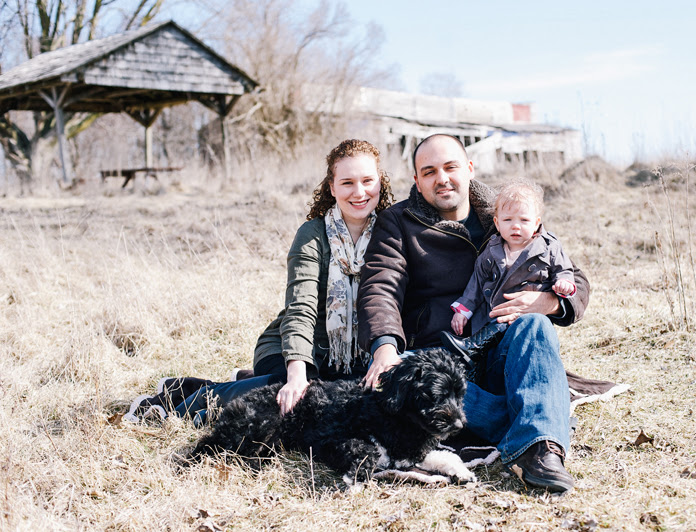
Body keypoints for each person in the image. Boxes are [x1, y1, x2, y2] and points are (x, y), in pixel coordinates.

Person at [356, 134, 589, 493]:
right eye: (429, 171)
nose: (442, 178)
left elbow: (572, 274)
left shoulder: (506, 211)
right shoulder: (397, 222)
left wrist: (549, 302)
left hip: (499, 348)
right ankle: (539, 416)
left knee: (535, 327)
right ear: (417, 180)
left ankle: (540, 453)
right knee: (408, 384)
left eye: (450, 167)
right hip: (437, 356)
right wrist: (384, 346)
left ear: (469, 169)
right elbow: (380, 286)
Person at [124, 139, 394, 424]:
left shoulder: (391, 232)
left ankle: (225, 384)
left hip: (351, 356)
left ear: (380, 182)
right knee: (301, 392)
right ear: (332, 187)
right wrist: (298, 375)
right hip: (289, 348)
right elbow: (300, 309)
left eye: (367, 180)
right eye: (347, 182)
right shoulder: (313, 235)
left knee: (349, 396)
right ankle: (173, 405)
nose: (360, 192)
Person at [440, 180, 575, 373]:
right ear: (496, 222)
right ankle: (476, 359)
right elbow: (477, 284)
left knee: (511, 326)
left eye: (524, 220)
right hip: (494, 313)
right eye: (508, 220)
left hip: (528, 320)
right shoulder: (492, 250)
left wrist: (564, 283)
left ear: (537, 223)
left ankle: (472, 347)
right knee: (498, 327)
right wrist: (463, 310)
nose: (516, 227)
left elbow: (564, 269)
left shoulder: (547, 247)